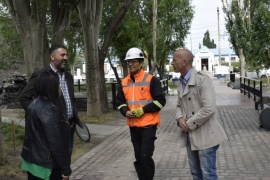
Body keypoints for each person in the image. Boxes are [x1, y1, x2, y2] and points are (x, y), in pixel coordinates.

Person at [171, 48, 228, 180]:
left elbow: (209, 108)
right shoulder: (181, 81)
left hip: (206, 135)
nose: (171, 62)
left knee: (208, 175)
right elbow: (179, 105)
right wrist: (179, 119)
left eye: (174, 60)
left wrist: (189, 124)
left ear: (184, 62)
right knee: (196, 174)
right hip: (190, 136)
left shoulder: (203, 80)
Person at [116, 47, 166, 180]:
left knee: (145, 156)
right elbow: (119, 101)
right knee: (138, 157)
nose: (131, 64)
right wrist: (125, 111)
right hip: (133, 127)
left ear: (141, 62)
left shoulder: (151, 80)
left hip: (148, 126)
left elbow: (161, 101)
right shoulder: (124, 82)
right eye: (129, 62)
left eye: (134, 61)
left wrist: (143, 110)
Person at [19, 44, 83, 148]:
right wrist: (41, 118)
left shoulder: (68, 76)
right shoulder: (41, 75)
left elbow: (71, 99)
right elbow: (24, 98)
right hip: (52, 128)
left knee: (66, 160)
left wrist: (74, 118)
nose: (65, 58)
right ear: (52, 57)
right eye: (62, 55)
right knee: (53, 161)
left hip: (69, 126)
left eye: (66, 55)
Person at [21, 71, 71, 180]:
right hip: (46, 166)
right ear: (51, 87)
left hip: (32, 161)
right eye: (59, 84)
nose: (60, 87)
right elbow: (55, 142)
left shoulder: (33, 104)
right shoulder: (49, 110)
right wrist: (65, 169)